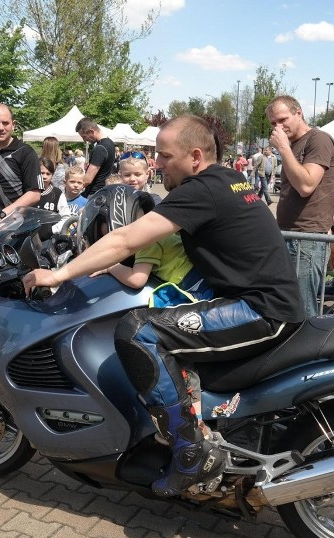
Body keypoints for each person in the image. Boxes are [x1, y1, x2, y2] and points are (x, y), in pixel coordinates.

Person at [23, 115, 305, 498]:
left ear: (194, 156)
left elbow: (126, 239)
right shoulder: (228, 180)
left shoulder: (201, 189)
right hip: (266, 302)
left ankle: (191, 453)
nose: (157, 164)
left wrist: (58, 275)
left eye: (164, 156)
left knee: (139, 331)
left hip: (260, 311)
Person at [266, 94, 334, 317]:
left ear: (299, 113)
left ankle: (310, 351)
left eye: (282, 119)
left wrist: (283, 149)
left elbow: (306, 185)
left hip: (306, 239)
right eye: (273, 123)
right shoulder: (294, 145)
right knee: (290, 306)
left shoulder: (318, 140)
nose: (278, 127)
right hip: (290, 236)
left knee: (303, 311)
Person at [0, 104, 42, 226]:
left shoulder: (25, 152)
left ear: (13, 124)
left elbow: (34, 194)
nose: (1, 128)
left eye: (5, 123)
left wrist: (2, 215)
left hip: (16, 227)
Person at [75, 117, 115, 197]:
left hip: (95, 193)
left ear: (91, 131)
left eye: (84, 136)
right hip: (104, 191)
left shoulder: (100, 148)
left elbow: (88, 179)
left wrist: (73, 191)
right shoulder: (110, 143)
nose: (84, 140)